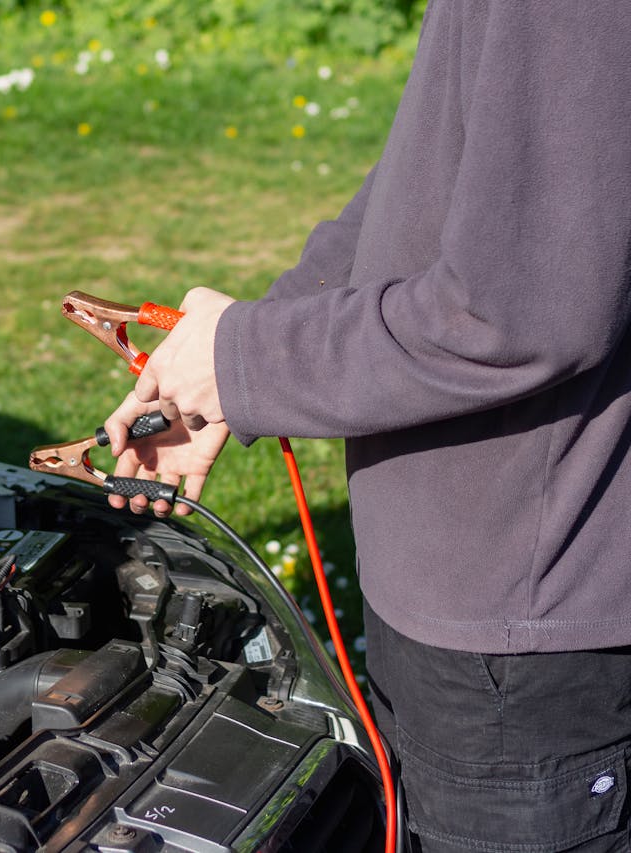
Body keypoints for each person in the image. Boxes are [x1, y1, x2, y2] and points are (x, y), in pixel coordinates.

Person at [101, 3, 631, 851]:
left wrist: (251, 359)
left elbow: (517, 313)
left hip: (525, 642)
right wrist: (233, 374)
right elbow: (422, 188)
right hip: (463, 614)